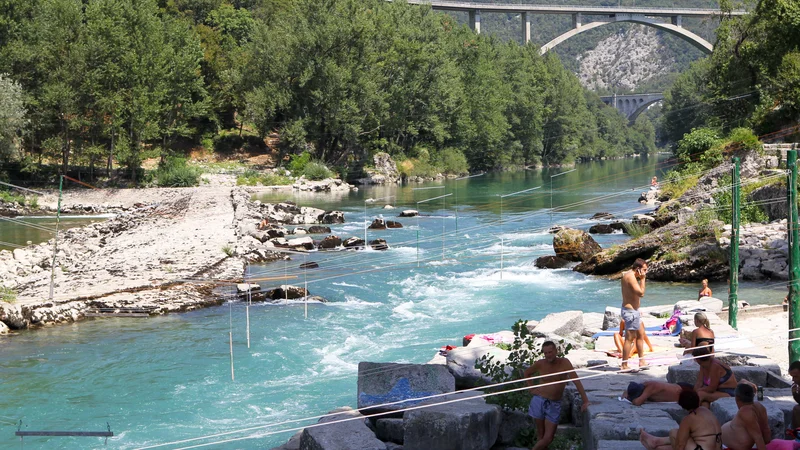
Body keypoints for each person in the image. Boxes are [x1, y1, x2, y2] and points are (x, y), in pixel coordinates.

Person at [523, 341, 591, 450]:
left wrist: (585, 400)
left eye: (550, 352)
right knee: (541, 436)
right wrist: (531, 389)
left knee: (548, 438)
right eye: (545, 353)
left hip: (554, 403)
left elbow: (576, 381)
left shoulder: (564, 363)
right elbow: (527, 373)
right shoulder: (541, 363)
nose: (548, 355)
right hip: (539, 400)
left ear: (556, 351)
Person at [640, 389, 723, 450]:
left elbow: (680, 446)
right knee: (682, 437)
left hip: (701, 448)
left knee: (675, 433)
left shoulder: (689, 419)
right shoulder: (707, 411)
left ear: (682, 405)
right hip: (717, 448)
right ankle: (656, 442)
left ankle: (655, 442)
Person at [721, 383, 769, 450]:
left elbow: (758, 437)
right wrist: (769, 444)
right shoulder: (760, 406)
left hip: (728, 446)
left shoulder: (746, 412)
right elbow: (766, 429)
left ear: (737, 398)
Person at [621, 258, 648, 371]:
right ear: (638, 269)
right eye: (644, 270)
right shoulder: (631, 277)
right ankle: (624, 365)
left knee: (641, 334)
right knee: (629, 338)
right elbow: (641, 293)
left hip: (634, 312)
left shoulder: (626, 274)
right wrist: (643, 279)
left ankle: (642, 361)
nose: (646, 272)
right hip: (630, 312)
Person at [622, 381, 693, 406]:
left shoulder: (651, 387)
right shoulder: (643, 385)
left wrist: (631, 399)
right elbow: (625, 392)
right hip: (677, 387)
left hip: (683, 391)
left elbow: (638, 402)